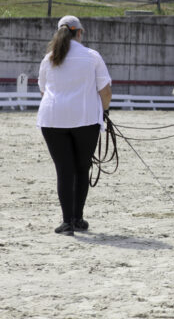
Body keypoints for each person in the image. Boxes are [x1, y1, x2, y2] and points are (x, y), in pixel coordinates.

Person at [38, 15, 112, 235]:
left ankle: (67, 222)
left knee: (64, 170)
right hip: (85, 119)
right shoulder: (92, 56)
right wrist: (104, 110)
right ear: (79, 32)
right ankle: (78, 218)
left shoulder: (49, 58)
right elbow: (105, 91)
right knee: (81, 168)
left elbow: (43, 90)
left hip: (52, 119)